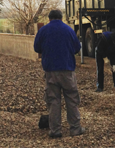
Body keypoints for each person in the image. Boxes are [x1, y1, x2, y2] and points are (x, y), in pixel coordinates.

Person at [34, 9, 85, 138]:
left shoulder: (43, 30)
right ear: (61, 18)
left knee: (53, 101)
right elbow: (77, 48)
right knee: (72, 99)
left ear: (49, 18)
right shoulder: (68, 30)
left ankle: (55, 130)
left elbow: (36, 48)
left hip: (50, 71)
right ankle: (75, 128)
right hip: (67, 70)